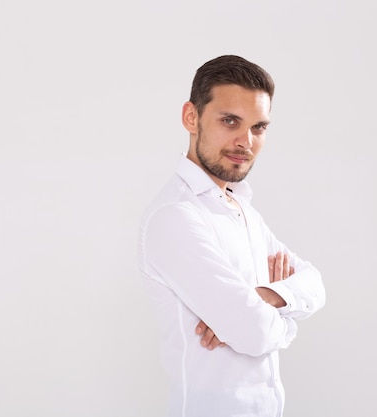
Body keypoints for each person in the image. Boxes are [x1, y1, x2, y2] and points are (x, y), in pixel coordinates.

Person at [137, 55, 326, 417]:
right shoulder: (175, 217)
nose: (246, 141)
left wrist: (267, 295)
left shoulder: (242, 210)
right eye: (230, 121)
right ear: (191, 117)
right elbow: (254, 334)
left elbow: (315, 283)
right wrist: (284, 316)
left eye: (259, 127)